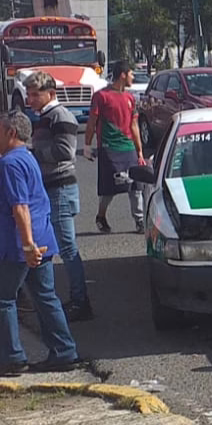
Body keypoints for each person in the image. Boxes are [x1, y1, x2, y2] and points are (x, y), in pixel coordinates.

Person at [0, 111, 79, 376]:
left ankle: (12, 357)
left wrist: (27, 245)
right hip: (41, 238)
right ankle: (64, 351)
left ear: (11, 133)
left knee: (4, 299)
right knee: (45, 297)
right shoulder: (27, 157)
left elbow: (19, 207)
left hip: (20, 244)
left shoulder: (9, 163)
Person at [24, 72, 92, 322]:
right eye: (29, 94)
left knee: (67, 248)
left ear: (50, 94)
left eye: (35, 94)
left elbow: (65, 152)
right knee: (56, 245)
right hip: (51, 188)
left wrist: (32, 154)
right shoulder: (44, 117)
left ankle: (81, 302)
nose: (30, 99)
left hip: (60, 188)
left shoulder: (60, 116)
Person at [82, 60, 146, 234]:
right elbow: (92, 122)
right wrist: (87, 145)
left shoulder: (130, 98)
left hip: (128, 148)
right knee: (111, 186)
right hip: (109, 148)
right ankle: (101, 216)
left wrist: (139, 151)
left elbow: (134, 126)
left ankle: (139, 221)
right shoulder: (101, 96)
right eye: (131, 73)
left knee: (136, 186)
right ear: (123, 75)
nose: (133, 77)